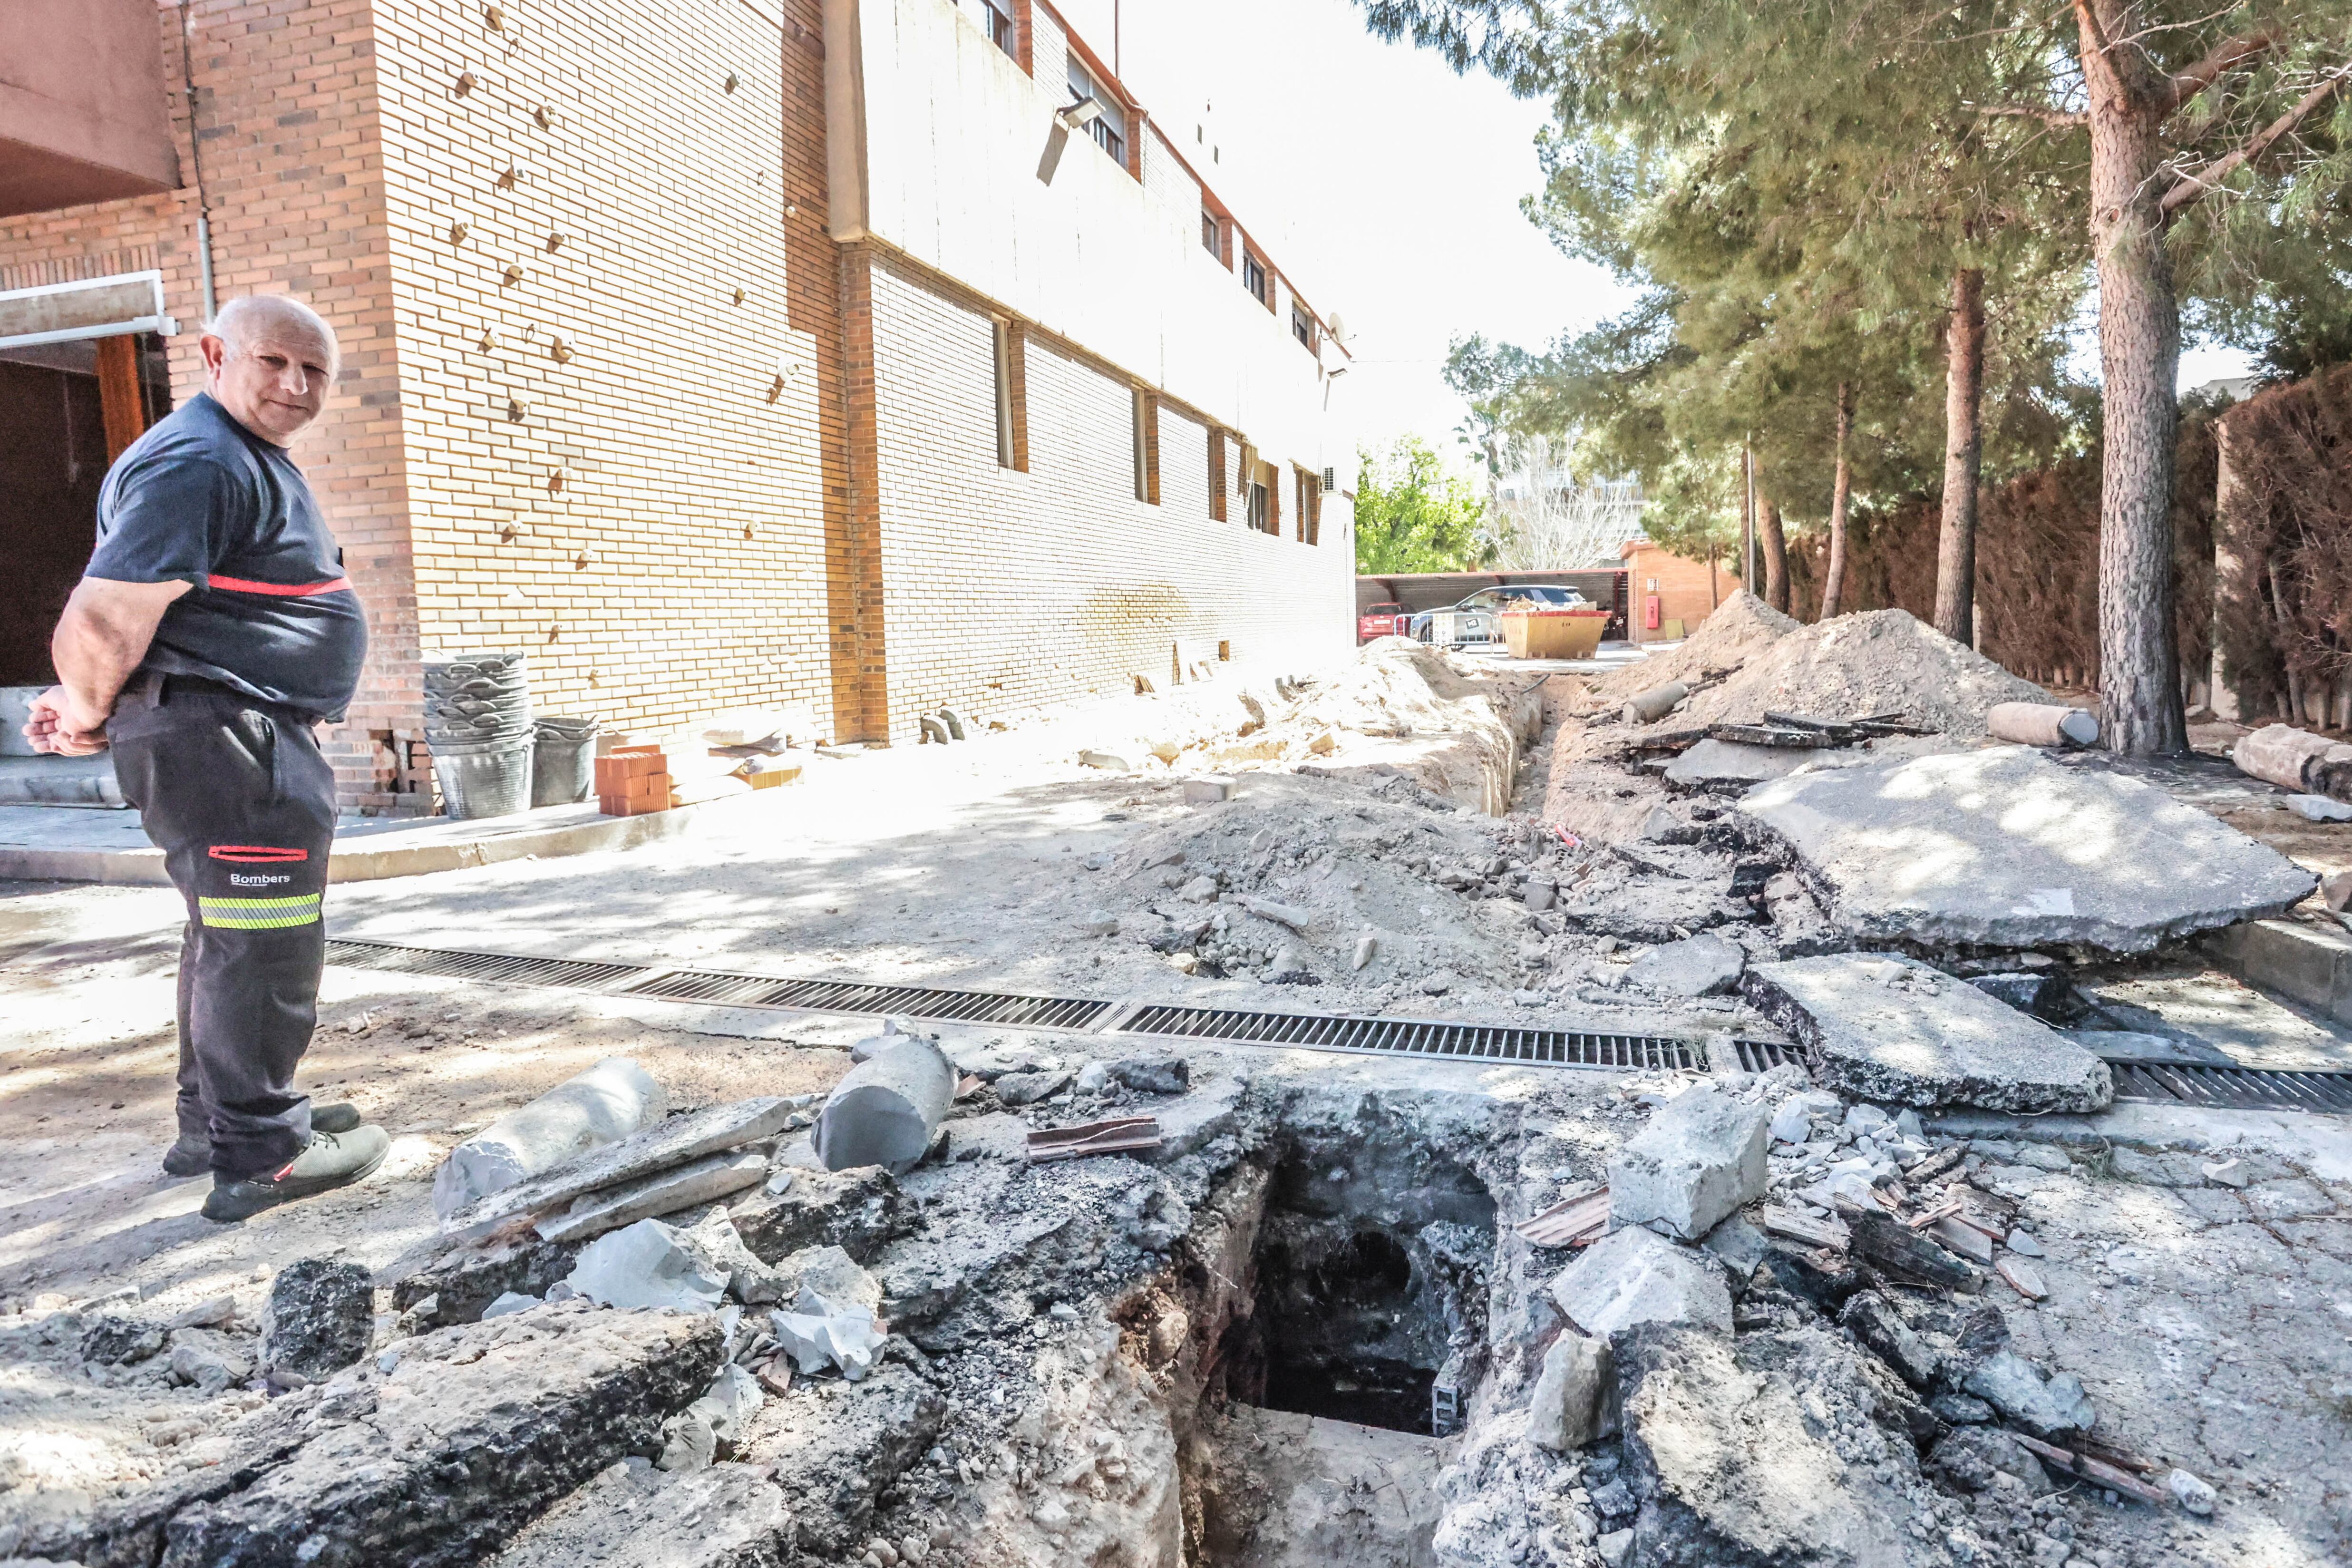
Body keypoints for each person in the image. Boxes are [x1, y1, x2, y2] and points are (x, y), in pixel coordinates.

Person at [23, 294, 390, 1223]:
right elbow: (104, 617)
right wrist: (93, 707)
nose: (297, 385)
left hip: (221, 734)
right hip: (231, 741)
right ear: (216, 352)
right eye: (276, 362)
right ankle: (260, 1150)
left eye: (316, 373)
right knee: (262, 941)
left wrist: (90, 708)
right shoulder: (201, 457)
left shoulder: (219, 456)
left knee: (228, 935)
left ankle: (217, 1121)